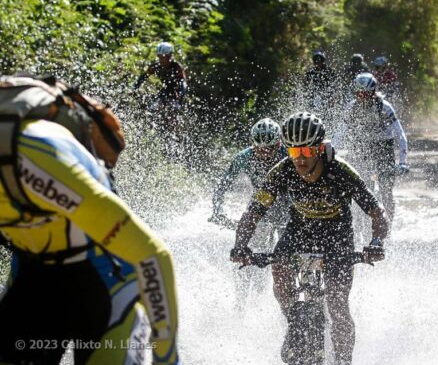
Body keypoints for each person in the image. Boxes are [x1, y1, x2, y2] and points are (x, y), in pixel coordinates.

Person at [0, 75, 180, 364]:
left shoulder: (33, 158)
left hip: (104, 277)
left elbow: (151, 255)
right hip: (33, 271)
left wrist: (167, 358)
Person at [230, 112, 390, 365]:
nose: (300, 161)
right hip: (300, 228)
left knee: (337, 305)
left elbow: (377, 210)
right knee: (279, 269)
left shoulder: (340, 170)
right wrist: (240, 245)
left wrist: (376, 242)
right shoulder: (282, 170)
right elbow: (253, 212)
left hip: (337, 233)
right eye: (294, 153)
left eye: (306, 152)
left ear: (319, 148)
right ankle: (293, 322)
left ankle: (344, 361)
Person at [345, 73, 409, 225]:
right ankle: (362, 224)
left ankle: (389, 225)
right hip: (362, 146)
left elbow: (400, 134)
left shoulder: (385, 107)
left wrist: (403, 161)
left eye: (366, 94)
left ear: (373, 92)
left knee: (386, 190)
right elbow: (340, 133)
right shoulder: (351, 107)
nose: (362, 98)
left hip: (383, 145)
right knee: (362, 190)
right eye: (358, 94)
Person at [210, 118, 287, 229]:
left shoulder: (288, 155)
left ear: (278, 144)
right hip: (260, 196)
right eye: (259, 149)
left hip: (285, 197)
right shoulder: (243, 157)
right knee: (252, 235)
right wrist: (218, 211)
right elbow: (222, 185)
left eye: (269, 149)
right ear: (252, 143)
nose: (264, 153)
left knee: (284, 235)